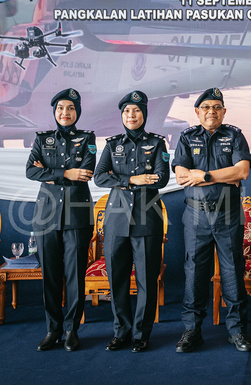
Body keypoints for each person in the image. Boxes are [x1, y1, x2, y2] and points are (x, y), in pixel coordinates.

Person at [171, 87, 251, 353]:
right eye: (206, 107)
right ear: (197, 112)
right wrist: (218, 174)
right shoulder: (186, 137)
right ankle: (192, 330)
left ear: (223, 112)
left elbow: (241, 171)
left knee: (232, 271)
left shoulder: (235, 135)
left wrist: (204, 176)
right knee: (194, 271)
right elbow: (182, 174)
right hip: (195, 214)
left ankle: (237, 331)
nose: (211, 111)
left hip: (227, 212)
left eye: (216, 107)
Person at [94, 90, 170, 353]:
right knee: (118, 279)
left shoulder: (158, 143)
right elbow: (100, 177)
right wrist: (132, 180)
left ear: (144, 113)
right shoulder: (112, 144)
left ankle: (141, 334)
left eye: (136, 111)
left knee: (147, 281)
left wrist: (122, 177)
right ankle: (121, 332)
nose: (131, 115)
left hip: (147, 218)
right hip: (116, 220)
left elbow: (161, 178)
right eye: (127, 111)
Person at [26, 88, 96, 352]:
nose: (65, 113)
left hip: (77, 215)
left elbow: (86, 172)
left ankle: (71, 330)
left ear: (77, 112)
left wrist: (51, 173)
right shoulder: (42, 139)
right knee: (50, 277)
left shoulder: (88, 138)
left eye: (70, 108)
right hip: (46, 216)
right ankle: (52, 329)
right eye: (60, 108)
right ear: (54, 112)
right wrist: (66, 172)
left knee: (75, 275)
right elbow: (31, 171)